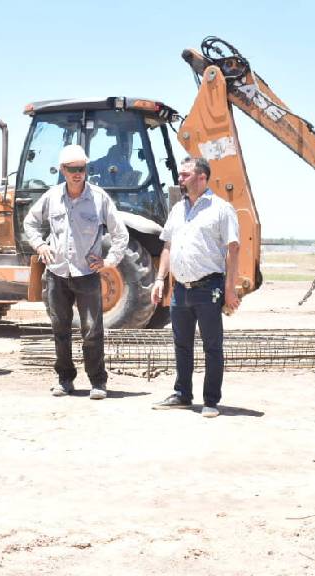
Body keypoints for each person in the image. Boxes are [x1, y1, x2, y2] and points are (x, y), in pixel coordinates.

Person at [23, 144, 128, 400]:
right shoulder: (51, 197)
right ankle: (65, 380)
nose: (77, 173)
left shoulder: (99, 198)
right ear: (63, 170)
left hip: (87, 275)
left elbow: (120, 234)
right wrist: (40, 245)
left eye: (81, 168)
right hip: (57, 274)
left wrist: (108, 261)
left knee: (92, 329)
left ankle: (98, 382)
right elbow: (30, 222)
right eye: (72, 169)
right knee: (60, 328)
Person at [150, 157, 240, 418]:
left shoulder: (221, 209)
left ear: (202, 178)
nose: (180, 179)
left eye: (186, 175)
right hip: (181, 289)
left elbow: (233, 249)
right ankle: (182, 394)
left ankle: (211, 400)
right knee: (181, 344)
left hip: (208, 288)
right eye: (180, 174)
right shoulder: (178, 210)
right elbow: (167, 245)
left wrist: (230, 289)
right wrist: (159, 279)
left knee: (212, 345)